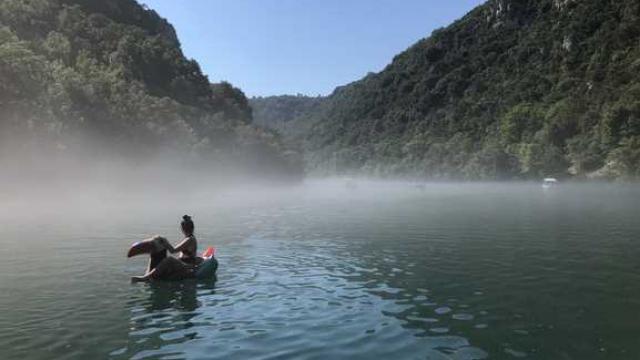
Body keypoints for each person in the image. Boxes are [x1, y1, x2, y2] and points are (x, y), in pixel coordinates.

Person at [131, 215, 202, 282]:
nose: (186, 229)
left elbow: (173, 251)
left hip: (188, 266)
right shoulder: (188, 238)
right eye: (186, 227)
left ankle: (145, 278)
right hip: (183, 263)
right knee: (159, 255)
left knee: (169, 259)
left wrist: (165, 242)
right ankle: (149, 274)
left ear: (182, 228)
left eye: (187, 227)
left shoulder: (190, 239)